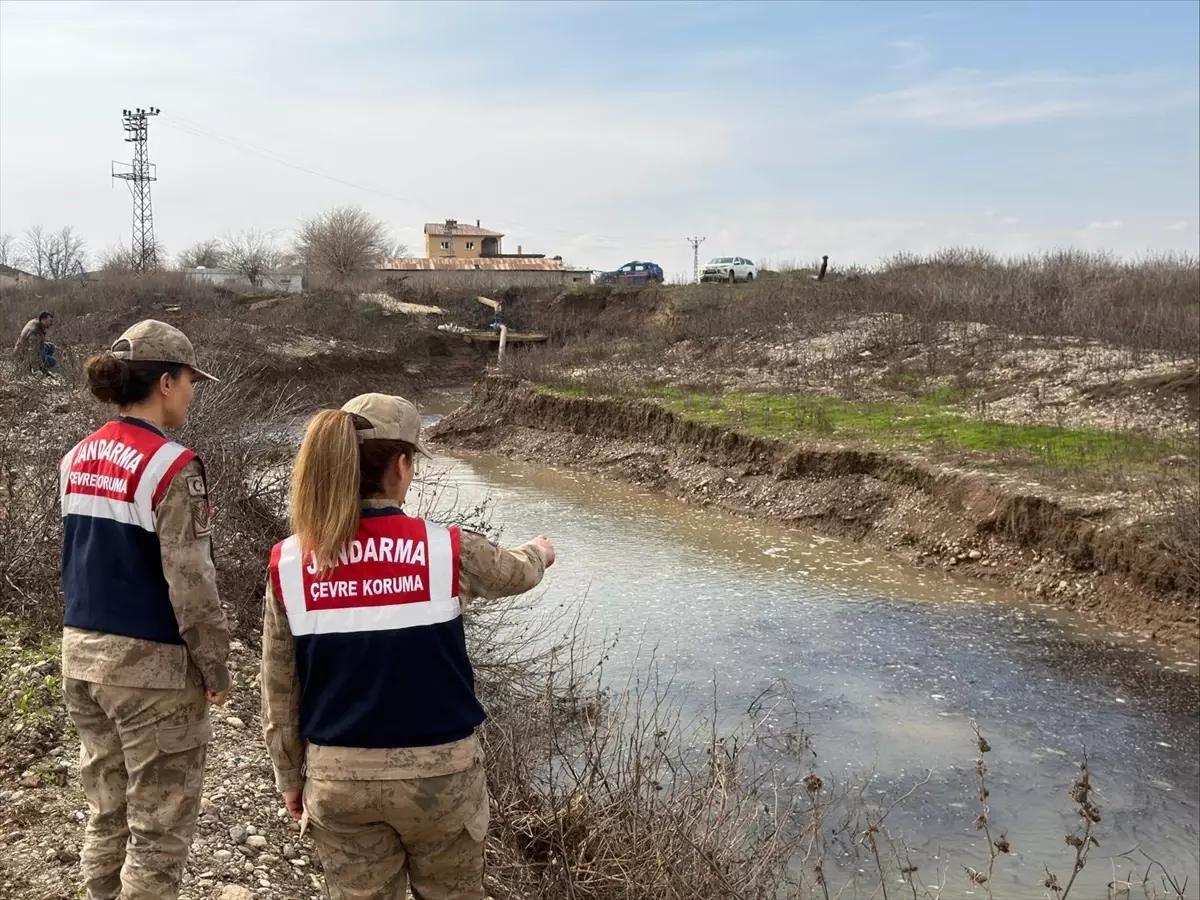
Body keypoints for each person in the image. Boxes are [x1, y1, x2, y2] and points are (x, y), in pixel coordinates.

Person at [261, 393, 556, 900]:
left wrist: (289, 775)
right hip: (442, 779)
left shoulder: (289, 561)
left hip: (339, 779)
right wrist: (541, 552)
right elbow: (515, 571)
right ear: (400, 465)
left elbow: (279, 686)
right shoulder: (448, 548)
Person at [59, 319, 231, 900]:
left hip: (80, 657)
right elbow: (191, 583)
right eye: (189, 380)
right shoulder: (172, 466)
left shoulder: (76, 456)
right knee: (157, 830)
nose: (192, 391)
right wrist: (216, 667)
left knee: (106, 811)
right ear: (164, 382)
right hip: (150, 671)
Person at [14, 309, 54, 374]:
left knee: (51, 347)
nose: (51, 323)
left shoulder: (36, 322)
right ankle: (45, 368)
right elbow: (32, 352)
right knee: (54, 362)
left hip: (22, 350)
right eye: (50, 321)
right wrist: (37, 369)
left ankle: (44, 362)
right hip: (24, 357)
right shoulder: (35, 333)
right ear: (44, 320)